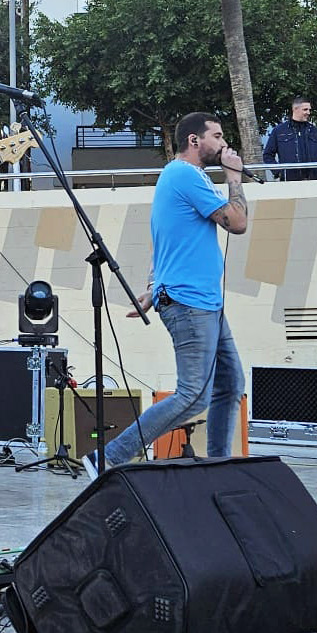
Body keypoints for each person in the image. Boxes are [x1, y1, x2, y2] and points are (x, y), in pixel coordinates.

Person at [91, 111, 250, 475]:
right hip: (191, 303)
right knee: (193, 395)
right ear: (194, 140)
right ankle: (109, 456)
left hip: (204, 302)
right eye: (217, 136)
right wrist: (234, 178)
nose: (224, 143)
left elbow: (168, 238)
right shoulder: (183, 174)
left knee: (230, 384)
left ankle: (217, 465)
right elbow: (238, 222)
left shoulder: (185, 177)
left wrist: (152, 287)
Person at [261, 96, 317, 180]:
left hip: (313, 180)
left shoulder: (314, 131)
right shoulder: (279, 131)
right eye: (305, 109)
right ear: (295, 109)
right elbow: (268, 155)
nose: (308, 112)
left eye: (309, 110)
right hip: (289, 181)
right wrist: (279, 172)